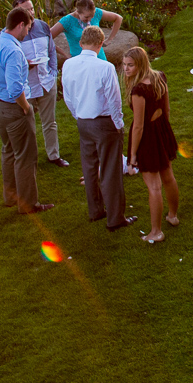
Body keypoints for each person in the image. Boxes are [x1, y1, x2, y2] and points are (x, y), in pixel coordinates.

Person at [0, 6, 52, 214]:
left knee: (8, 150)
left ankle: (10, 197)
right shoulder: (13, 50)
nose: (28, 32)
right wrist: (26, 108)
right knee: (26, 156)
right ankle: (28, 204)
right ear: (20, 25)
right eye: (28, 27)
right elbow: (15, 88)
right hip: (14, 108)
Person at [62, 25, 131, 230]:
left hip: (83, 122)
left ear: (81, 43)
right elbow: (114, 100)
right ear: (101, 44)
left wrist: (78, 115)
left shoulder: (68, 65)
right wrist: (118, 125)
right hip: (104, 122)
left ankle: (96, 211)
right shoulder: (105, 67)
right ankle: (116, 219)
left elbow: (67, 96)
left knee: (90, 168)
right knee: (110, 170)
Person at [121, 46, 181, 244]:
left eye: (130, 65)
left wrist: (133, 155)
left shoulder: (139, 90)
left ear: (140, 64)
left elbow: (138, 126)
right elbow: (167, 108)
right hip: (161, 129)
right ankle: (172, 215)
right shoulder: (160, 77)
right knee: (169, 177)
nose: (126, 69)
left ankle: (156, 232)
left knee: (154, 187)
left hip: (147, 137)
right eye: (124, 65)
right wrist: (165, 132)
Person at [13, 0, 68, 167]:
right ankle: (27, 159)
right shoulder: (11, 34)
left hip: (46, 82)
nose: (31, 12)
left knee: (50, 122)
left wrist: (53, 73)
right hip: (26, 87)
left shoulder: (43, 27)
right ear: (16, 12)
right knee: (25, 126)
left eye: (32, 8)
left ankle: (54, 156)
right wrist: (24, 65)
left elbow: (51, 51)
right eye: (26, 10)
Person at [53, 0, 123, 61]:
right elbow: (47, 37)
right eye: (86, 17)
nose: (89, 19)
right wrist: (65, 54)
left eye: (92, 16)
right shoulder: (67, 21)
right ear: (78, 12)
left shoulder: (97, 13)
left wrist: (109, 39)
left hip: (99, 58)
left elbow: (118, 18)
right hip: (79, 60)